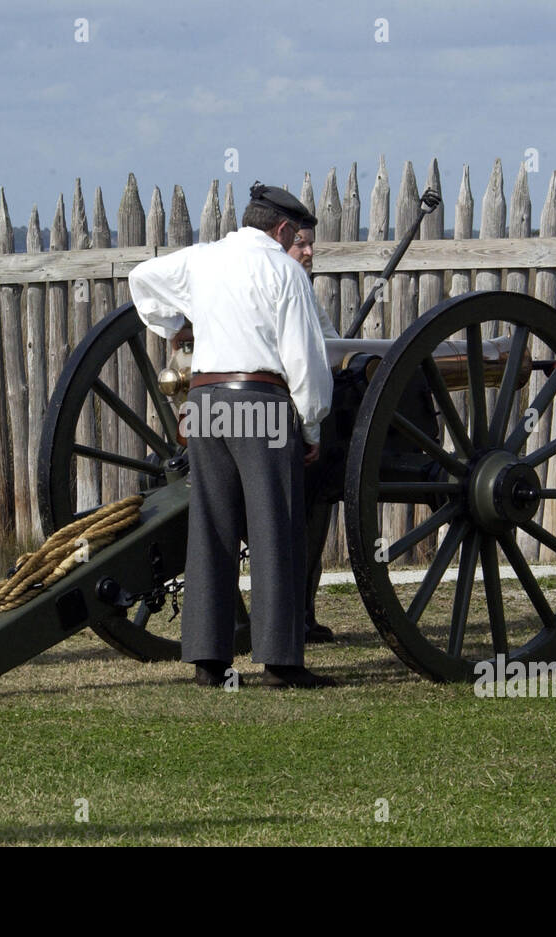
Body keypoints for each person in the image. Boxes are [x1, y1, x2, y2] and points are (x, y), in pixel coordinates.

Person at [130, 183, 335, 688]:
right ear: (282, 229)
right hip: (259, 400)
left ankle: (207, 659)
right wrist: (311, 424)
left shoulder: (203, 259)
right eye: (302, 237)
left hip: (204, 403)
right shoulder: (284, 272)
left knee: (212, 527)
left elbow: (141, 277)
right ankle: (282, 662)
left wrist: (174, 324)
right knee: (275, 526)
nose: (305, 249)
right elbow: (305, 360)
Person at [286, 224, 340, 643]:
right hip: (291, 421)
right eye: (300, 243)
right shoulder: (290, 289)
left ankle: (301, 612)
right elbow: (315, 359)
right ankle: (294, 617)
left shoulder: (301, 289)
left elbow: (332, 346)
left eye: (310, 243)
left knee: (314, 516)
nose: (309, 251)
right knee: (311, 512)